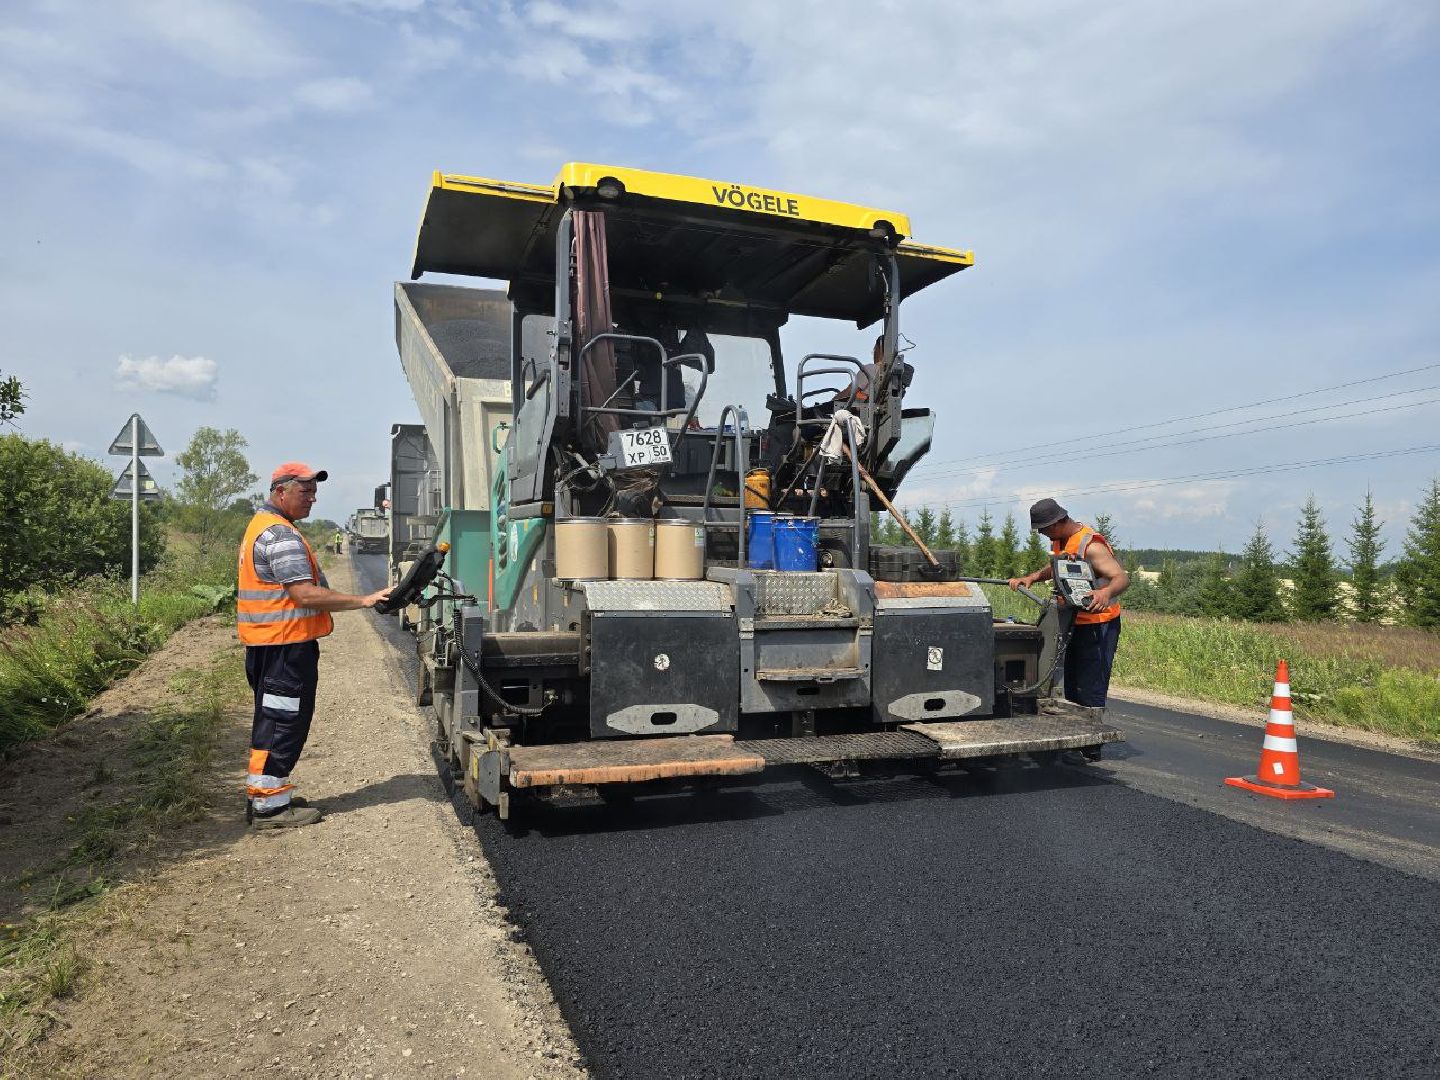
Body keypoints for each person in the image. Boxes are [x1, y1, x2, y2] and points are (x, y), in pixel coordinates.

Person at [237, 463, 391, 829]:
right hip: (283, 650)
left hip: (271, 647)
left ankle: (270, 795)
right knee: (281, 723)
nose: (313, 497)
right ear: (280, 493)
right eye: (305, 491)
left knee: (276, 720)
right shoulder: (280, 535)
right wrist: (364, 600)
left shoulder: (266, 527)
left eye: (313, 490)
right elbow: (304, 593)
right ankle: (269, 809)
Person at [1008, 498, 1130, 708]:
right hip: (1073, 621)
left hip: (1098, 624)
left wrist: (1105, 593)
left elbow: (1122, 578)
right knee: (1072, 682)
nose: (1040, 533)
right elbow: (1058, 566)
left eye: (1043, 529)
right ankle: (1077, 723)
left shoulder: (1091, 545)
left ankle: (1093, 729)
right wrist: (1032, 577)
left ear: (1057, 523)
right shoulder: (1060, 540)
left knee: (1090, 684)